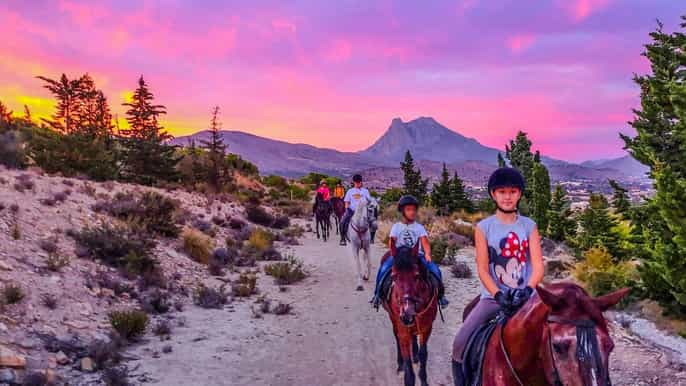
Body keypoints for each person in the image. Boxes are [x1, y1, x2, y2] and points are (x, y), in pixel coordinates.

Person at [451, 167, 544, 386]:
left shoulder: (529, 226)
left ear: (519, 194)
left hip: (527, 299)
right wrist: (498, 294)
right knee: (459, 343)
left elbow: (538, 266)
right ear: (493, 194)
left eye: (512, 191)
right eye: (502, 191)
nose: (507, 196)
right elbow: (483, 268)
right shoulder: (484, 228)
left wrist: (528, 290)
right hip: (493, 299)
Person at [371, 195, 449, 308]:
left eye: (413, 209)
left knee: (435, 270)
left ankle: (441, 296)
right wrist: (393, 253)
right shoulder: (396, 227)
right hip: (399, 256)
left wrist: (427, 253)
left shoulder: (419, 227)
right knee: (383, 269)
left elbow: (425, 242)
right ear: (402, 211)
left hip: (416, 255)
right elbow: (392, 242)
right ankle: (377, 295)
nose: (412, 212)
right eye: (408, 210)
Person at [339, 174, 371, 246]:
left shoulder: (365, 191)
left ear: (361, 182)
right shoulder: (350, 191)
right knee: (342, 221)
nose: (357, 184)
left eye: (359, 182)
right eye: (356, 182)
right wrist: (347, 209)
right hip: (352, 211)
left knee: (373, 221)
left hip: (363, 211)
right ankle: (342, 238)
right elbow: (346, 202)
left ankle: (371, 237)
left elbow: (369, 201)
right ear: (354, 182)